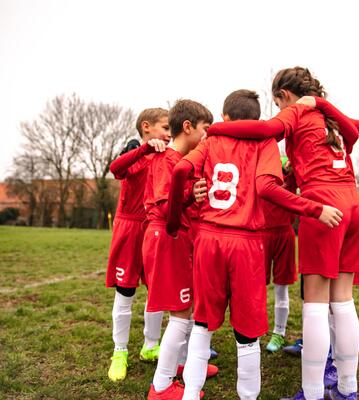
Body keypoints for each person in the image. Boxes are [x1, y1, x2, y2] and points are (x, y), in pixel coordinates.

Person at [206, 67, 359, 400]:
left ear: (284, 96)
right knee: (343, 302)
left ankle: (312, 393)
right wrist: (324, 107)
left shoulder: (298, 111)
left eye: (278, 104)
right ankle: (346, 390)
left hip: (324, 203)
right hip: (355, 203)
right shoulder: (330, 120)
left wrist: (216, 129)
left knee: (315, 304)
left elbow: (266, 130)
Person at [166, 89, 342, 400]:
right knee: (247, 335)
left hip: (209, 239)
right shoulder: (265, 142)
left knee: (202, 326)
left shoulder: (211, 140)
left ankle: (190, 394)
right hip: (246, 242)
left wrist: (175, 213)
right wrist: (312, 207)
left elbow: (180, 169)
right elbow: (266, 186)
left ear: (225, 118)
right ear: (257, 120)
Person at [142, 100, 217, 400]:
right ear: (188, 127)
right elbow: (165, 205)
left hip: (176, 238)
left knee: (185, 310)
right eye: (205, 130)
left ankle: (183, 369)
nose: (208, 136)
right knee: (181, 314)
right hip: (166, 238)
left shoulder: (181, 160)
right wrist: (189, 196)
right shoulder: (166, 160)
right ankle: (160, 387)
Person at [106, 108, 170, 382]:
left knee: (156, 291)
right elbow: (116, 168)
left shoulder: (167, 154)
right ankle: (119, 352)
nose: (169, 133)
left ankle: (150, 345)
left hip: (155, 230)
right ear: (147, 127)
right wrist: (143, 149)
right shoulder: (134, 151)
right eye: (165, 127)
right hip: (130, 229)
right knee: (126, 292)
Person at [263, 155, 298, 353]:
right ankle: (254, 329)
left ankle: (279, 332)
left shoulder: (288, 162)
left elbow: (294, 171)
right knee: (257, 286)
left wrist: (288, 168)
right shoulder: (259, 163)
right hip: (261, 233)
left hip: (284, 233)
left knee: (281, 286)